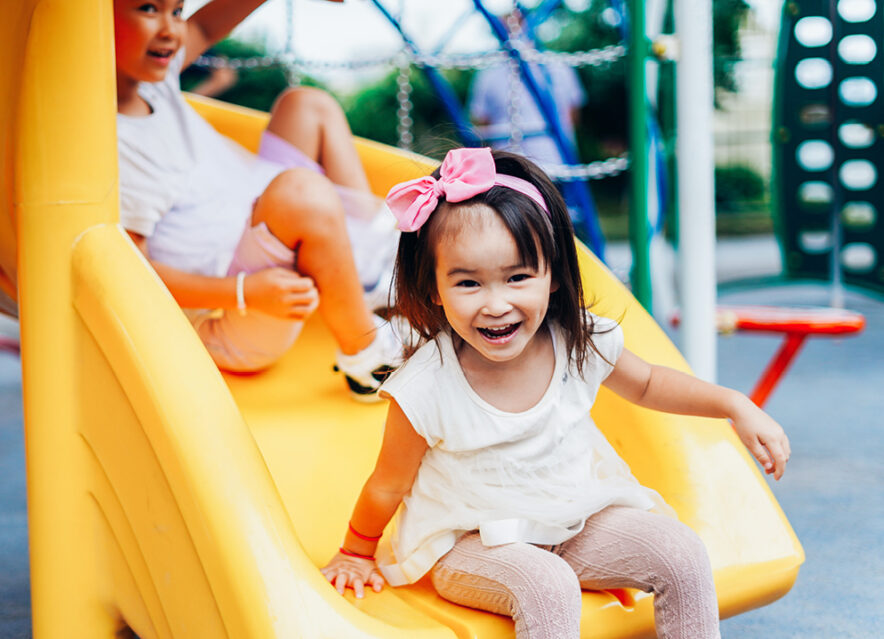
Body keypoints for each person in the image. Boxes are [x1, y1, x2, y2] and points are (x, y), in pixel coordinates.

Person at [320, 148, 791, 638]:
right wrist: (356, 551)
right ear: (435, 288)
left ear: (553, 276)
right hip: (469, 544)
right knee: (548, 587)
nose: (496, 304)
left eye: (518, 277)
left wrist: (734, 405)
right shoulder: (426, 386)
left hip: (572, 521)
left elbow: (649, 382)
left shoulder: (575, 339)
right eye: (468, 283)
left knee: (681, 553)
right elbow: (388, 484)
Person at [113, 0, 403, 400]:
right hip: (236, 309)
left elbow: (205, 29)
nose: (171, 30)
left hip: (254, 212)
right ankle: (369, 357)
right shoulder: (114, 145)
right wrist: (245, 291)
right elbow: (131, 274)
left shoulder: (151, 82)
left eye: (176, 10)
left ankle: (377, 258)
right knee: (301, 194)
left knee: (305, 105)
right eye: (148, 8)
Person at [469, 11, 585, 173]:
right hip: (509, 170)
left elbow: (573, 115)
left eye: (515, 25)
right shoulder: (488, 74)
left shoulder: (557, 67)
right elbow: (481, 123)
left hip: (556, 165)